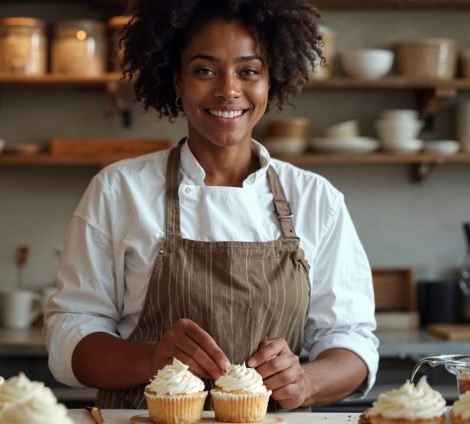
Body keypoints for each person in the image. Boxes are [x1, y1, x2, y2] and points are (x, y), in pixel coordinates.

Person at [44, 0, 378, 410]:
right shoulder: (119, 190)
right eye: (204, 70)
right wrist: (150, 359)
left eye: (249, 71)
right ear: (177, 82)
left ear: (271, 80)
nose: (228, 89)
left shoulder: (315, 199)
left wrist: (306, 381)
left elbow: (352, 339)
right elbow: (70, 336)